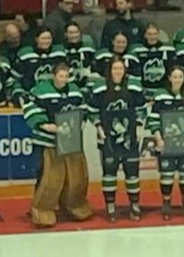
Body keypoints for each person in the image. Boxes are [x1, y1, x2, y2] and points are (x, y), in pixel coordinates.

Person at [22, 63, 94, 227]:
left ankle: (73, 205)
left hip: (70, 141)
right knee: (47, 174)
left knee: (75, 175)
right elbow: (30, 108)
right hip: (47, 141)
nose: (63, 79)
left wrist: (81, 122)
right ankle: (41, 207)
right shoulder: (40, 90)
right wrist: (45, 125)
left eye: (66, 76)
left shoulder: (75, 90)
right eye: (60, 76)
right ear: (54, 76)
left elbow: (83, 108)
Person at [88, 56, 148, 221]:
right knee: (109, 172)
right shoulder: (100, 87)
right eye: (115, 69)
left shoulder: (133, 85)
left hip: (130, 136)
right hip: (107, 137)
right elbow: (91, 110)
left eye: (121, 68)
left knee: (132, 172)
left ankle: (134, 204)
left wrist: (139, 125)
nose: (118, 72)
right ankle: (110, 205)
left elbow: (142, 108)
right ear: (110, 70)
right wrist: (98, 127)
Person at [148, 66, 184, 219]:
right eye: (175, 76)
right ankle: (166, 203)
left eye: (180, 77)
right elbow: (153, 120)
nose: (178, 79)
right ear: (169, 78)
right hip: (166, 144)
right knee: (167, 174)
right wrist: (158, 138)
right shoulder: (160, 96)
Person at [11, 27, 68, 105]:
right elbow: (15, 78)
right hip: (31, 96)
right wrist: (19, 93)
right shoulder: (25, 54)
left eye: (49, 38)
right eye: (43, 38)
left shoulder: (59, 53)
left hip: (53, 96)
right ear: (37, 39)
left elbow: (66, 76)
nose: (46, 41)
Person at [132, 23, 176, 100]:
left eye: (154, 34)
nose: (152, 37)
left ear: (158, 34)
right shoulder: (137, 50)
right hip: (145, 90)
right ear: (145, 35)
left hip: (163, 90)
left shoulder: (168, 49)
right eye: (149, 34)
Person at [63, 21, 96, 91]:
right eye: (71, 33)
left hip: (88, 84)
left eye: (76, 32)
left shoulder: (89, 49)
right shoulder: (62, 51)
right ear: (66, 34)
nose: (74, 35)